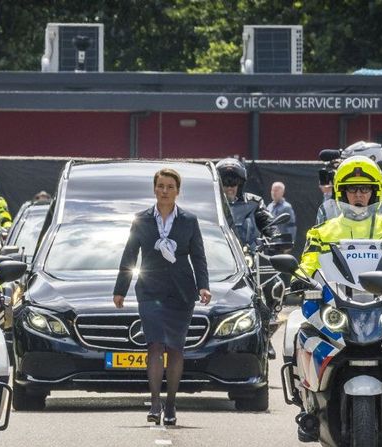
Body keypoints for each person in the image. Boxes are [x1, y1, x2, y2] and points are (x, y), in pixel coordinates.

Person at [113, 168, 210, 426]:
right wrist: (120, 289)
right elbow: (130, 254)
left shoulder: (188, 220)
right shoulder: (142, 219)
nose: (165, 191)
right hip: (150, 290)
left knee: (175, 347)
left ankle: (170, 403)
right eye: (160, 186)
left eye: (170, 187)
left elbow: (198, 256)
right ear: (154, 189)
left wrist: (204, 286)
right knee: (155, 344)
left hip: (181, 292)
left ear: (178, 191)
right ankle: (155, 402)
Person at [296, 156, 382, 279]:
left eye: (365, 188)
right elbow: (308, 265)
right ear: (342, 192)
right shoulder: (319, 234)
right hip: (334, 296)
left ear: (375, 192)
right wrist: (299, 278)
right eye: (352, 188)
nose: (358, 195)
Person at [216, 157, 276, 250]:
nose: (229, 187)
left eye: (233, 182)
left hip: (247, 254)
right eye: (225, 182)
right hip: (217, 252)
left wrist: (275, 235)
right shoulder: (211, 204)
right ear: (218, 184)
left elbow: (267, 221)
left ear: (240, 184)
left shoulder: (254, 203)